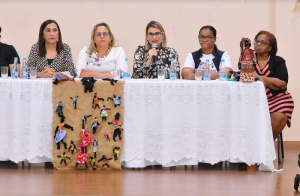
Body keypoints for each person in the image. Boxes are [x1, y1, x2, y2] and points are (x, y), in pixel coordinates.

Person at [253, 30, 294, 140]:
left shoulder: (278, 61)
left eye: (262, 42)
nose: (257, 44)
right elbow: (244, 77)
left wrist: (261, 78)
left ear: (270, 47)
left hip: (278, 98)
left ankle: (266, 148)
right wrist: (272, 82)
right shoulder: (247, 60)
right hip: (253, 99)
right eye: (256, 41)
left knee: (279, 115)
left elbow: (282, 84)